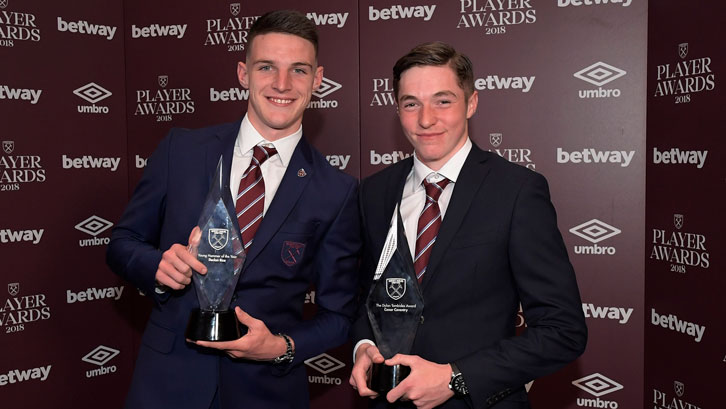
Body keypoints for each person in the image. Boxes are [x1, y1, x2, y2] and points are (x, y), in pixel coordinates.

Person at [106, 10, 360, 409]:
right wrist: (156, 267)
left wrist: (280, 346)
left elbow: (339, 316)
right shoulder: (181, 151)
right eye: (266, 67)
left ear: (318, 79)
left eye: (298, 70)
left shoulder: (337, 190)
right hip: (167, 385)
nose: (281, 84)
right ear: (243, 74)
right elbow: (122, 242)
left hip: (267, 392)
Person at [349, 42, 587, 409]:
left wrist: (456, 377)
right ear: (397, 109)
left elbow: (563, 331)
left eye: (443, 101)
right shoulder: (375, 192)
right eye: (411, 103)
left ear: (471, 102)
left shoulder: (517, 191)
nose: (426, 119)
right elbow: (368, 296)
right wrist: (364, 346)